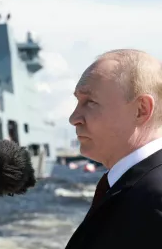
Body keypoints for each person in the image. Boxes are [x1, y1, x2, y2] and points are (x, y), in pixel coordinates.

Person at [65, 49, 162, 249]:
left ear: (141, 109)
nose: (74, 118)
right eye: (78, 102)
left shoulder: (155, 200)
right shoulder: (141, 189)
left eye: (90, 102)